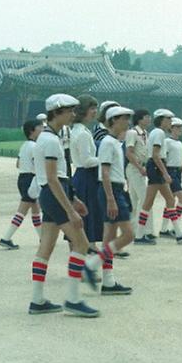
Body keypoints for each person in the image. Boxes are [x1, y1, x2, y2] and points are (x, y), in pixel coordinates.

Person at [28, 94, 99, 317]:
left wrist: (73, 199)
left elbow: (56, 176)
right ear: (56, 112)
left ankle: (37, 299)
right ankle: (73, 299)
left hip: (51, 195)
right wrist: (69, 208)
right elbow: (52, 178)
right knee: (81, 243)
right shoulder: (50, 140)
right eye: (69, 110)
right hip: (54, 194)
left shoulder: (49, 137)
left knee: (46, 247)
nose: (72, 114)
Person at [84, 106, 136, 295]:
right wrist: (111, 198)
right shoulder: (107, 142)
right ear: (113, 120)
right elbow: (104, 172)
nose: (127, 122)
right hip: (111, 191)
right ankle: (92, 263)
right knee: (129, 234)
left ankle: (108, 281)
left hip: (114, 189)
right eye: (124, 118)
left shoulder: (114, 141)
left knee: (109, 238)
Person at [134, 109, 182, 245]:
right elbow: (156, 155)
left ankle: (143, 234)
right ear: (162, 120)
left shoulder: (157, 133)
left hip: (156, 166)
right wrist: (165, 173)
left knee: (160, 201)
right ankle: (177, 233)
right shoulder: (159, 133)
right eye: (169, 119)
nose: (170, 122)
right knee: (159, 201)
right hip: (157, 167)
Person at [0, 119, 44, 250]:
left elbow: (18, 164)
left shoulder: (25, 145)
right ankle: (6, 238)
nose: (42, 129)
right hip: (31, 179)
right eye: (40, 127)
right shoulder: (35, 146)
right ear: (32, 130)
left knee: (35, 210)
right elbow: (38, 164)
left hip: (23, 178)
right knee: (22, 211)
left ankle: (43, 237)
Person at [69, 95, 104, 253]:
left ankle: (88, 244)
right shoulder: (82, 133)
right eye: (91, 108)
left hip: (83, 176)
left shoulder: (79, 130)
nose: (94, 112)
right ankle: (84, 246)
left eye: (95, 108)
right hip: (86, 175)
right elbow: (86, 160)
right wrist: (104, 159)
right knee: (87, 212)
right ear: (83, 111)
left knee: (89, 211)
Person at [161, 117, 182, 236]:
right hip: (170, 172)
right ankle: (176, 226)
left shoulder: (179, 143)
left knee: (170, 201)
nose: (180, 129)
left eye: (181, 127)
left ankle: (164, 229)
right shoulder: (167, 142)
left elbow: (180, 162)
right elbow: (163, 159)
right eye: (178, 127)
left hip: (177, 172)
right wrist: (165, 174)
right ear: (171, 128)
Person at [125, 109, 151, 236]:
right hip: (135, 168)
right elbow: (129, 152)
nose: (149, 119)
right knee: (145, 199)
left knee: (135, 200)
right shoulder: (132, 133)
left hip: (141, 168)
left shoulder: (145, 133)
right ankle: (145, 230)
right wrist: (140, 168)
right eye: (146, 117)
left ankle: (133, 230)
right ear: (140, 119)